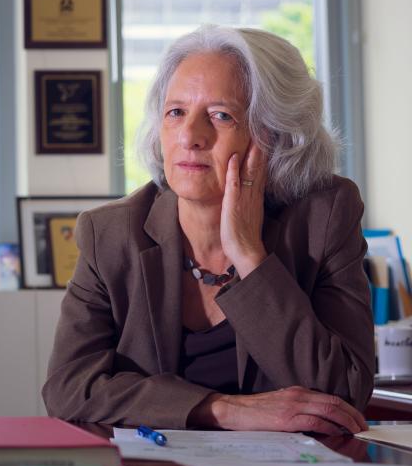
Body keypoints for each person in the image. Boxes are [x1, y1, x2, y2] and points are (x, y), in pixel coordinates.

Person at [43, 25, 374, 435]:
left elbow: (344, 391)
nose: (190, 136)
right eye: (176, 112)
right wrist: (224, 410)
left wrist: (251, 257)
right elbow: (68, 390)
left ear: (275, 137)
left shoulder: (324, 217)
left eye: (221, 115)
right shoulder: (110, 232)